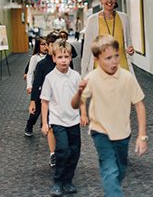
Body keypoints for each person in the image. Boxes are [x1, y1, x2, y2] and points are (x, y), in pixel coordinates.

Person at [72, 35, 148, 197]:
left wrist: (142, 136)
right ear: (97, 59)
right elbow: (75, 104)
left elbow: (139, 105)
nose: (114, 61)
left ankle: (112, 190)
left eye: (116, 56)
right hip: (100, 132)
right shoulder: (91, 78)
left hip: (123, 132)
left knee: (120, 169)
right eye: (108, 58)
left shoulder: (127, 77)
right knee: (110, 169)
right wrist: (79, 92)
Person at [41, 39, 88, 197]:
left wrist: (83, 114)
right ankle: (58, 182)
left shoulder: (75, 76)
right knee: (63, 150)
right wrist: (44, 123)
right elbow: (45, 102)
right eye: (60, 57)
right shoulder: (50, 78)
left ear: (70, 58)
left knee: (75, 151)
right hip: (58, 121)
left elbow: (81, 97)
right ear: (54, 58)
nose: (63, 60)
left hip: (73, 120)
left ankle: (68, 181)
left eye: (66, 57)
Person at [81, 0, 134, 78]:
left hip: (122, 66)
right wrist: (83, 73)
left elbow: (128, 43)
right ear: (101, 0)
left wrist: (130, 50)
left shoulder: (124, 18)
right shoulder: (93, 20)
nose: (109, 0)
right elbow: (87, 48)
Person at [25, 32, 59, 167]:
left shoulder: (64, 61)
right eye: (50, 45)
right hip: (44, 98)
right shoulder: (42, 64)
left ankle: (59, 150)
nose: (51, 48)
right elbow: (36, 83)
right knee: (47, 123)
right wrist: (33, 101)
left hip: (60, 100)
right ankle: (53, 154)